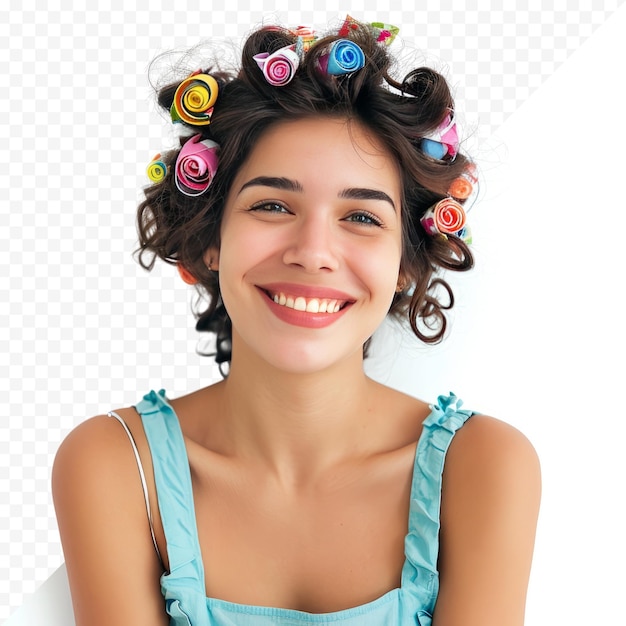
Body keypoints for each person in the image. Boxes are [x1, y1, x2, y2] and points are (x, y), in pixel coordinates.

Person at [51, 17, 541, 626]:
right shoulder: (117, 466)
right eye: (273, 205)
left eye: (361, 218)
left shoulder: (484, 467)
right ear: (211, 240)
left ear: (405, 264)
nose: (313, 251)